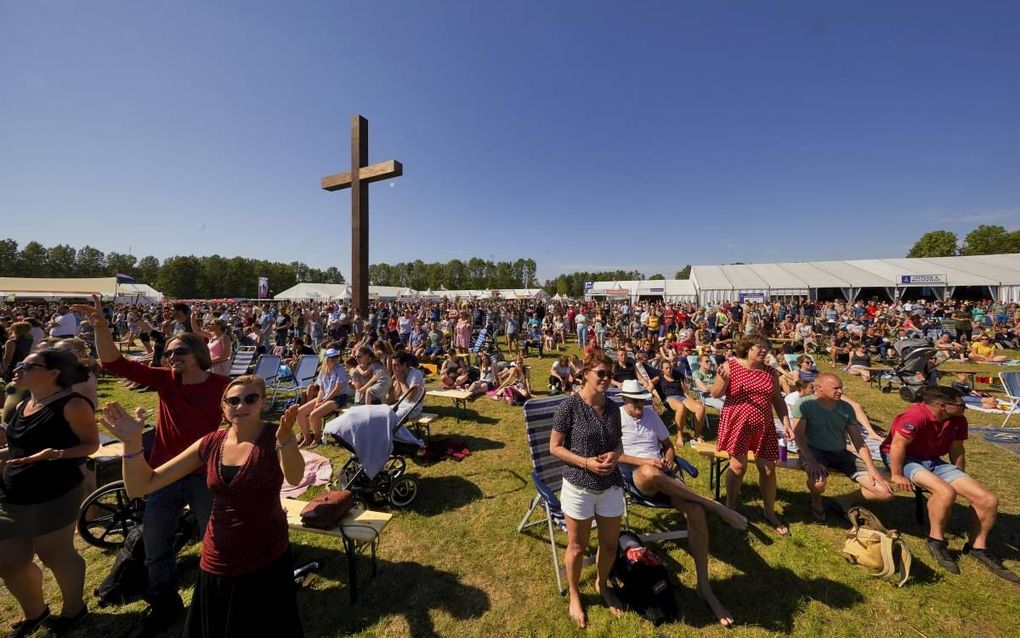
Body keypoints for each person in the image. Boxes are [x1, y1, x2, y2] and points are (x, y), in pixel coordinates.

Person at [70, 295, 230, 636]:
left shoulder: (223, 387)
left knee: (214, 543)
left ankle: (216, 598)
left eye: (179, 352)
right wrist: (101, 325)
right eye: (169, 353)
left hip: (205, 473)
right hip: (162, 473)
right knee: (156, 545)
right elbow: (114, 363)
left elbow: (243, 423)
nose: (172, 357)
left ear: (198, 355)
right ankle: (164, 602)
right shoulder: (165, 381)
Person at [100, 376, 307, 636]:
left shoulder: (274, 436)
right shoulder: (211, 442)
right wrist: (131, 445)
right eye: (233, 400)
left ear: (263, 403)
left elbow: (296, 476)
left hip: (265, 555)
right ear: (223, 407)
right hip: (217, 556)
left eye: (250, 398)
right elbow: (141, 486)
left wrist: (286, 440)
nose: (240, 405)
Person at [615, 380, 746, 627]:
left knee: (695, 511)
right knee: (649, 472)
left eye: (642, 400)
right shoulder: (615, 418)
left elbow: (668, 445)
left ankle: (704, 587)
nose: (639, 405)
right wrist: (649, 463)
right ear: (624, 400)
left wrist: (666, 458)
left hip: (665, 476)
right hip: (638, 479)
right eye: (634, 401)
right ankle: (716, 506)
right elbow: (615, 456)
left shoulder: (651, 415)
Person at [0, 350, 99, 638]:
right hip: (13, 492)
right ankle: (36, 613)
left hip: (55, 491)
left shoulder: (73, 404)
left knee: (55, 554)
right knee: (8, 561)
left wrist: (55, 454)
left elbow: (90, 444)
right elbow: (20, 450)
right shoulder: (26, 403)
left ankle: (74, 610)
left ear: (54, 372)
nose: (18, 368)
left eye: (27, 365)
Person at [880, 386, 1019, 582]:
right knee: (944, 491)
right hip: (905, 458)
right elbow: (897, 446)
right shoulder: (915, 417)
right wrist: (896, 474)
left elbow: (957, 449)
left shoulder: (958, 419)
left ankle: (977, 547)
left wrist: (959, 476)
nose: (966, 407)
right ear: (942, 405)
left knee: (988, 499)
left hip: (933, 460)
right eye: (961, 404)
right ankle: (936, 540)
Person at [549, 352, 625, 629]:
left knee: (609, 544)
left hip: (610, 485)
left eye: (609, 373)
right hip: (579, 485)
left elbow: (620, 445)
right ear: (586, 375)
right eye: (601, 373)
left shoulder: (613, 407)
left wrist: (615, 456)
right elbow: (554, 447)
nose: (606, 378)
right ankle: (574, 593)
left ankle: (602, 584)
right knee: (577, 546)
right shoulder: (569, 407)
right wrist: (585, 463)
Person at [712, 334, 794, 536]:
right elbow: (715, 394)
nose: (764, 350)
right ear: (747, 348)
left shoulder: (770, 372)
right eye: (760, 347)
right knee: (738, 467)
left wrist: (786, 422)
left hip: (763, 426)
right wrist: (723, 379)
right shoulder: (731, 366)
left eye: (767, 347)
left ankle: (769, 512)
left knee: (767, 469)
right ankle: (730, 506)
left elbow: (777, 399)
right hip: (737, 423)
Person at [791, 373, 892, 522]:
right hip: (814, 450)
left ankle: (843, 500)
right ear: (819, 388)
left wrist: (872, 469)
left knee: (884, 493)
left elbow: (858, 442)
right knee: (818, 483)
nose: (840, 391)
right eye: (836, 388)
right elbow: (798, 436)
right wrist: (811, 460)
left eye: (841, 388)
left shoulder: (846, 408)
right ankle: (816, 499)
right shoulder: (805, 404)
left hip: (841, 453)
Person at [296, 349, 352, 448]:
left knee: (314, 415)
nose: (335, 359)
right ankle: (307, 438)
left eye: (336, 357)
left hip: (339, 397)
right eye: (332, 357)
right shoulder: (323, 370)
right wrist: (318, 401)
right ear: (326, 358)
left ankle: (317, 438)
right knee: (300, 412)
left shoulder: (340, 370)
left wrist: (322, 402)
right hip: (326, 396)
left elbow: (337, 390)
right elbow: (321, 389)